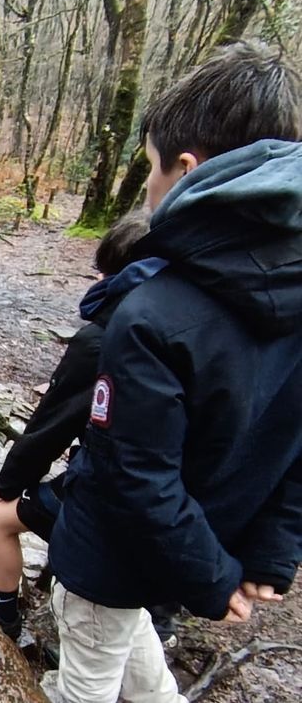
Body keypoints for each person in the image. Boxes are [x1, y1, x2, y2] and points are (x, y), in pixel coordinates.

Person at [48, 41, 302, 703]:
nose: (149, 187)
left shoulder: (152, 311)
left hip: (111, 559)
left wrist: (214, 579)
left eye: (151, 168)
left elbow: (135, 476)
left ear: (186, 170)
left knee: (88, 683)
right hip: (186, 556)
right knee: (140, 658)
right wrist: (268, 554)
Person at [0, 213, 166, 642]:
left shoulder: (104, 338)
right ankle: (159, 619)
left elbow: (52, 426)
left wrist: (8, 485)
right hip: (171, 499)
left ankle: (4, 614)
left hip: (109, 491)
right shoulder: (192, 323)